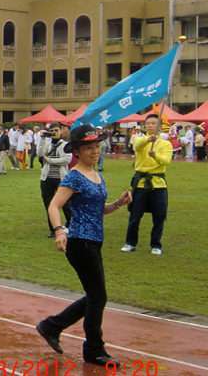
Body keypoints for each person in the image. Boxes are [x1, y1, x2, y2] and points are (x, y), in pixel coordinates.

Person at [36, 124, 132, 366]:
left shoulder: (97, 176)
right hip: (80, 242)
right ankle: (93, 350)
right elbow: (54, 205)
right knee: (98, 297)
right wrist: (59, 231)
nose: (95, 151)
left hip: (94, 241)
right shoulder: (74, 176)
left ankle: (51, 326)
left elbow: (99, 210)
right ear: (77, 151)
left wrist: (118, 204)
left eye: (97, 146)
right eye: (89, 148)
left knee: (95, 296)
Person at [122, 113, 173, 256]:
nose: (150, 126)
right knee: (135, 215)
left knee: (159, 216)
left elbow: (166, 161)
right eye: (148, 123)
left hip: (158, 184)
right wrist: (148, 139)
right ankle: (130, 243)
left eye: (154, 123)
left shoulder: (166, 144)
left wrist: (156, 156)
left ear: (160, 126)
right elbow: (137, 146)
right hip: (141, 183)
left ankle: (156, 244)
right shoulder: (140, 140)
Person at [37, 123, 73, 237]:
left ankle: (71, 225)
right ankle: (54, 229)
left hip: (61, 178)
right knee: (49, 204)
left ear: (61, 131)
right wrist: (43, 139)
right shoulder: (47, 144)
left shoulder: (66, 145)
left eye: (56, 130)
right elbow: (39, 153)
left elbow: (67, 160)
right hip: (46, 178)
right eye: (51, 130)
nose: (54, 133)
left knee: (66, 203)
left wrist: (49, 160)